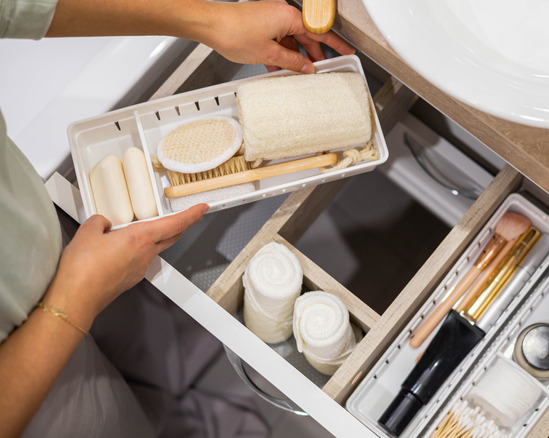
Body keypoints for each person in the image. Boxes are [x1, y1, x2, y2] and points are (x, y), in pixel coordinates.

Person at [0, 0, 354, 436]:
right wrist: (78, 295)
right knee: (116, 419)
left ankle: (183, 408)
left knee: (146, 344)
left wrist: (212, 20)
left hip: (50, 244)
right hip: (27, 385)